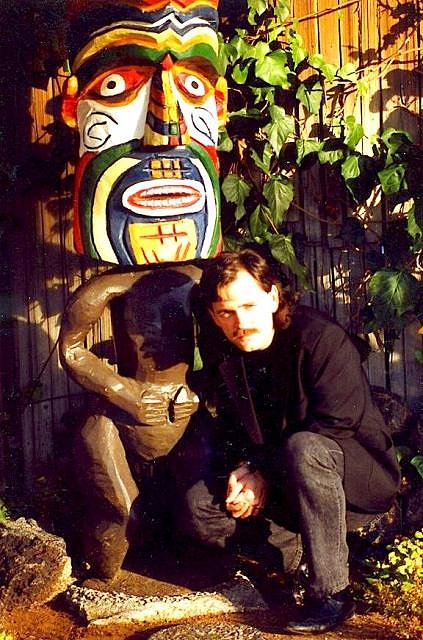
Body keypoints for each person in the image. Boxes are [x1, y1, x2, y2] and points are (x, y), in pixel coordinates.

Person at [181, 248, 401, 634]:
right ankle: (295, 553)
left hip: (352, 481)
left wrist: (263, 473)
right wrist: (243, 470)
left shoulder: (320, 338)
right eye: (226, 312)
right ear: (214, 315)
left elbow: (337, 423)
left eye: (248, 306)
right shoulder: (226, 350)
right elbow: (233, 427)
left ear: (272, 296)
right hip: (286, 482)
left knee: (305, 448)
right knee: (199, 504)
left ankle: (332, 593)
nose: (240, 323)